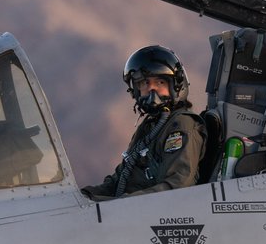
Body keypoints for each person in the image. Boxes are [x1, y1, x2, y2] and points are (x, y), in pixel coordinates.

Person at [82, 45, 206, 200]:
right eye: (144, 84)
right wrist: (85, 197)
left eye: (160, 83)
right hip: (135, 209)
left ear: (176, 84)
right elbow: (121, 178)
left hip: (155, 215)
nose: (151, 91)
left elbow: (177, 186)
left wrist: (118, 204)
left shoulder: (182, 125)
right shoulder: (150, 127)